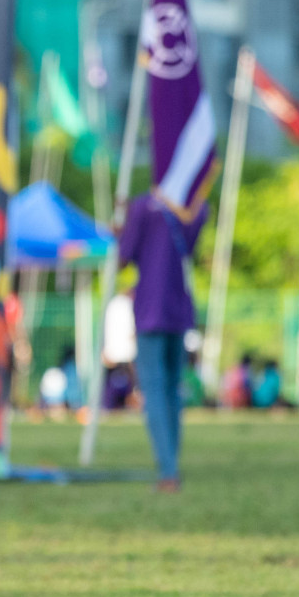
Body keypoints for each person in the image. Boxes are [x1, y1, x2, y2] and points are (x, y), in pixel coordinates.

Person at [116, 192, 208, 492]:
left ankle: (168, 469)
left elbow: (123, 255)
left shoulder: (144, 206)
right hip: (179, 308)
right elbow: (189, 249)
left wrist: (122, 226)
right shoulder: (195, 204)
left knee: (154, 389)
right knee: (171, 389)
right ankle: (171, 463)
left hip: (151, 310)